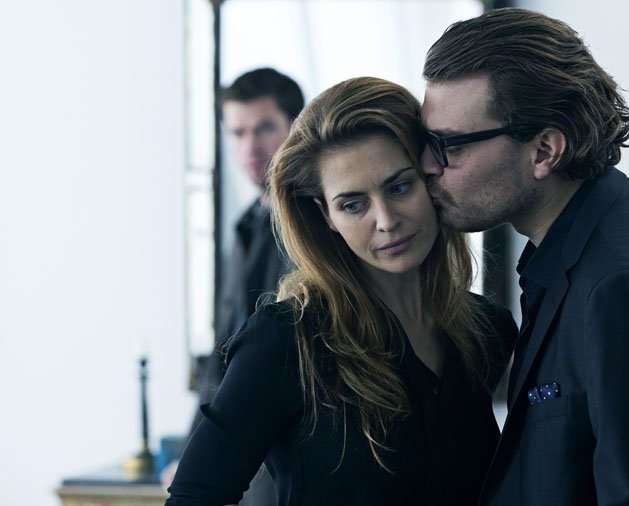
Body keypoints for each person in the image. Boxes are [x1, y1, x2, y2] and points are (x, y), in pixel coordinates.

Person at [419, 8, 629, 505]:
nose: (427, 165)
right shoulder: (605, 230)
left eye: (448, 144)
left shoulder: (621, 285)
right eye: (426, 141)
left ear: (545, 151)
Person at [165, 76, 518, 506]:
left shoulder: (486, 331)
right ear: (326, 216)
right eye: (353, 204)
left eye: (399, 186)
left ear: (430, 177)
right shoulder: (286, 341)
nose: (386, 220)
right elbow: (193, 497)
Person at [165, 67, 305, 505]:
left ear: (296, 127)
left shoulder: (317, 223)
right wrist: (192, 452)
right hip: (239, 447)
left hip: (286, 451)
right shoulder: (246, 227)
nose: (250, 147)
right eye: (238, 132)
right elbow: (223, 355)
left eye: (264, 128)